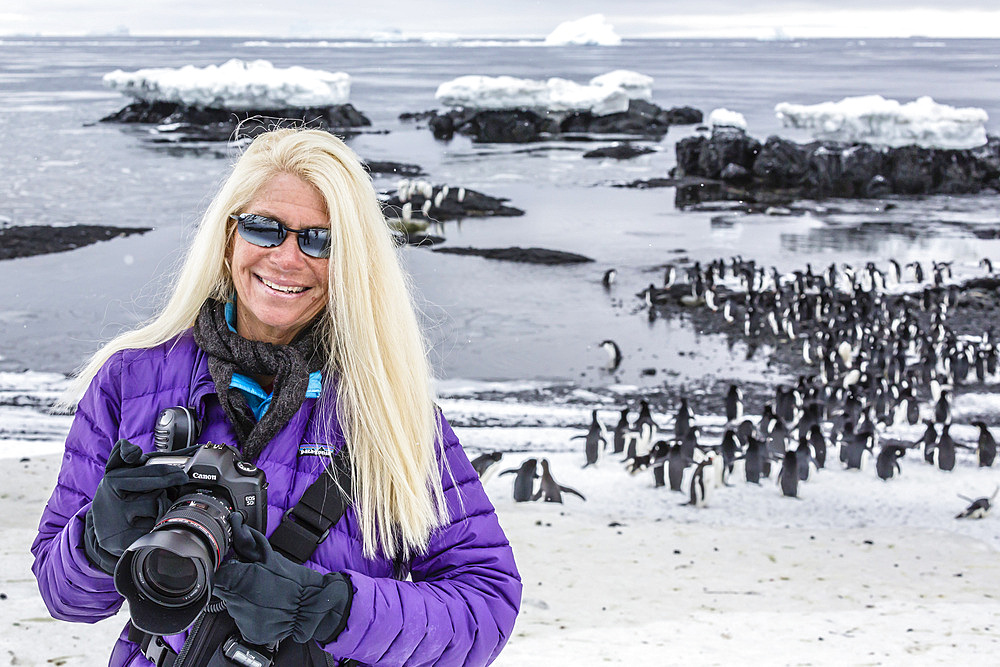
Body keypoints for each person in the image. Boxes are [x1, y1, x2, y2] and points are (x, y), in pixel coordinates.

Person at [31, 127, 522, 666]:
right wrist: (97, 543)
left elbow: (485, 608)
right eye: (265, 228)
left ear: (352, 262)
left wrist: (326, 607)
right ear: (227, 238)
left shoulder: (389, 410)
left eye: (321, 239)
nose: (288, 258)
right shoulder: (132, 379)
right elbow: (63, 597)